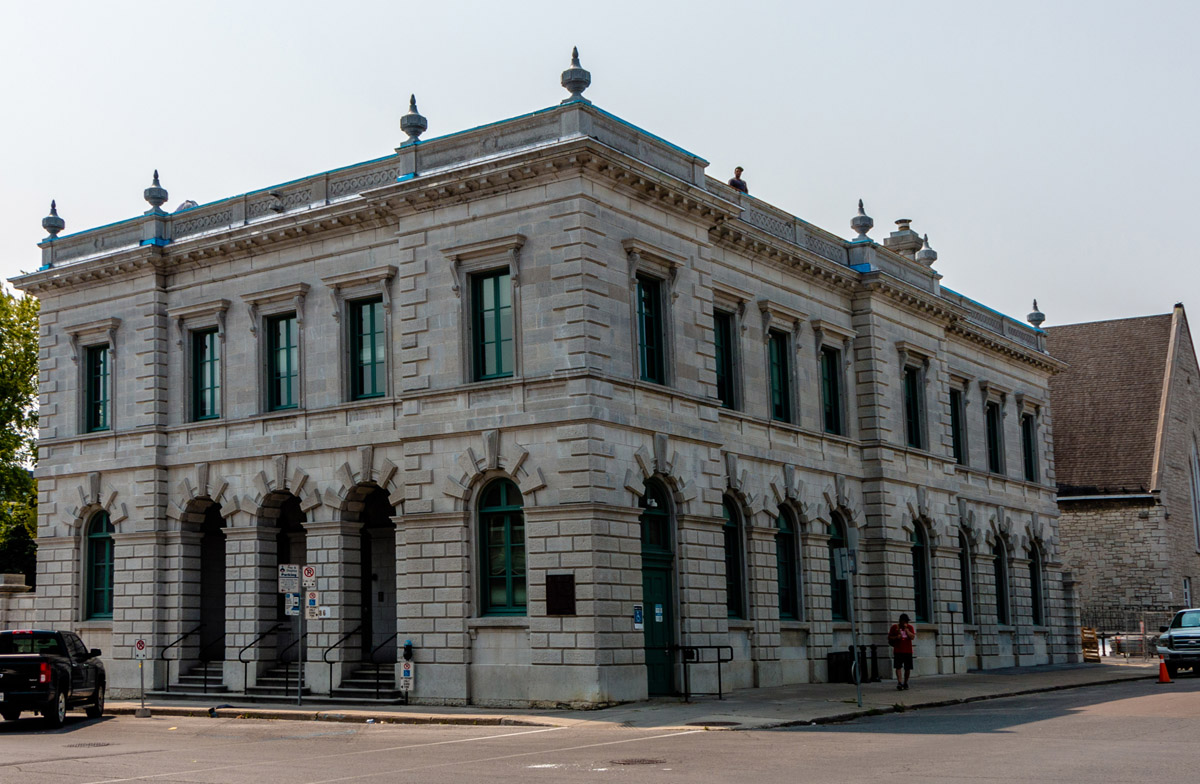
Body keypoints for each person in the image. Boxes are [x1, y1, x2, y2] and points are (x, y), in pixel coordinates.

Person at [888, 613, 916, 690]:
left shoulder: (910, 627)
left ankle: (906, 682)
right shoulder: (894, 627)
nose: (906, 623)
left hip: (908, 650)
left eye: (907, 621)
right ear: (901, 621)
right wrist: (896, 637)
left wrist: (907, 631)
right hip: (898, 650)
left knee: (907, 668)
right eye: (904, 621)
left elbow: (912, 637)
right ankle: (899, 682)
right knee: (898, 667)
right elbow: (890, 637)